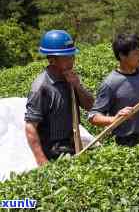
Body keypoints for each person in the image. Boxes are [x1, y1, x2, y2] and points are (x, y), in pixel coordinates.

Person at [24, 30, 95, 165]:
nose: (71, 61)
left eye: (72, 56)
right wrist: (42, 161)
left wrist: (77, 86)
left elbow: (91, 106)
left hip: (73, 146)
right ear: (52, 60)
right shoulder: (41, 87)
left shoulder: (70, 79)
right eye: (66, 57)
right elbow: (30, 127)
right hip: (53, 152)